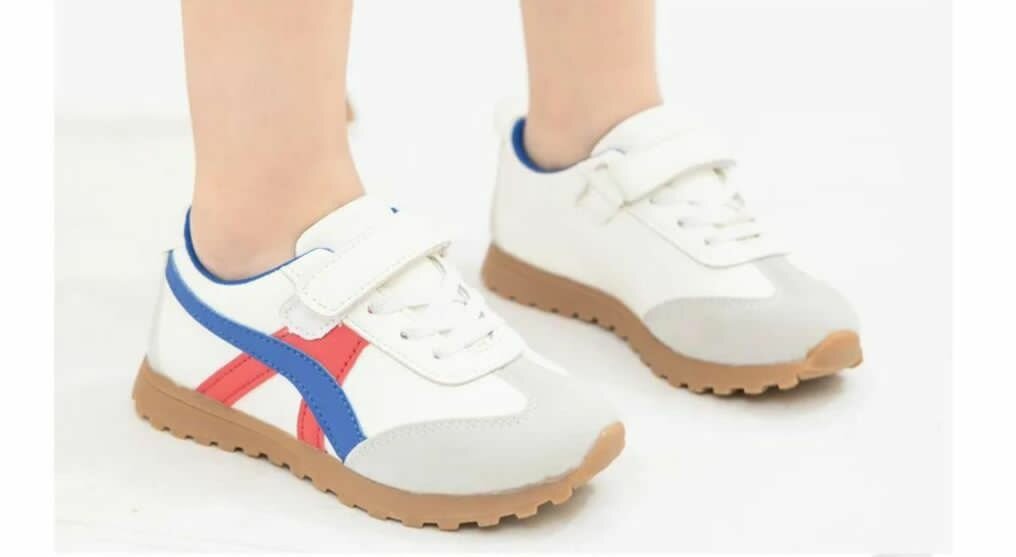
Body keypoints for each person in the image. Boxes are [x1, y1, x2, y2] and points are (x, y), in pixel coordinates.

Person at [134, 0, 862, 529]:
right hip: (263, 283)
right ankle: (263, 235)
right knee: (271, 204)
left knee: (600, 96)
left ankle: (590, 126)